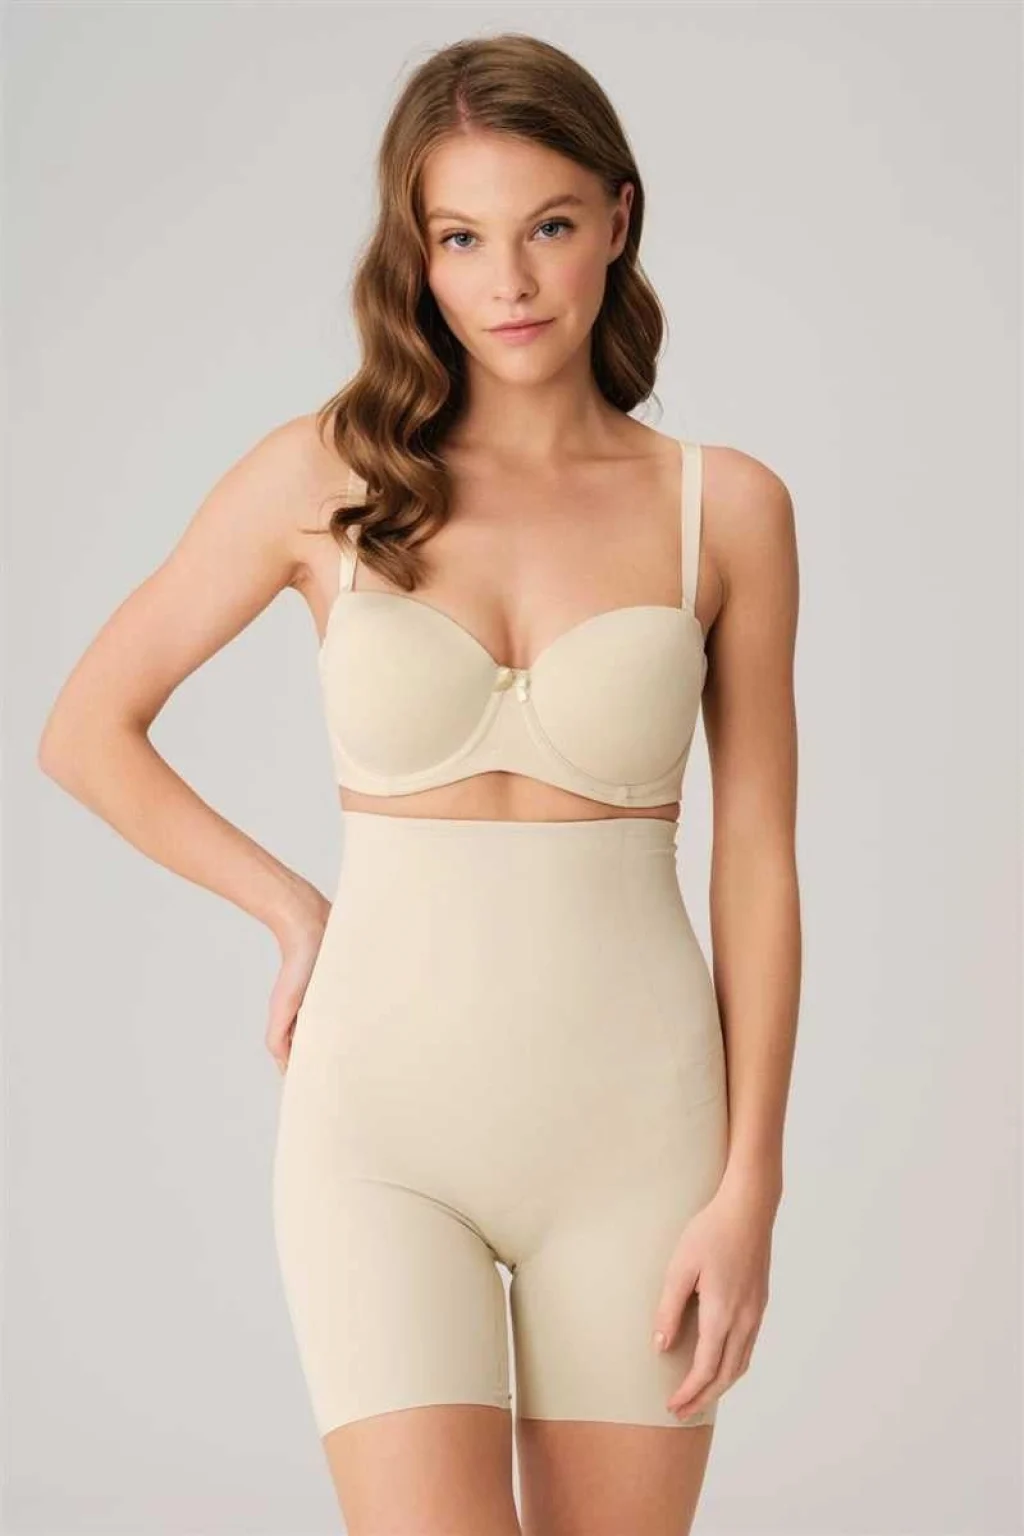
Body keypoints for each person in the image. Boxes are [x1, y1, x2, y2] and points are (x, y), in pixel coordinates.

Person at [38, 32, 801, 1536]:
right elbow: (87, 730)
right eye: (461, 238)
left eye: (549, 227)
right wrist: (291, 910)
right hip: (379, 1136)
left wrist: (751, 1188)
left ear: (619, 221)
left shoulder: (726, 509)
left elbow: (761, 861)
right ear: (417, 250)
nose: (508, 281)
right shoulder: (323, 476)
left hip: (642, 1136)